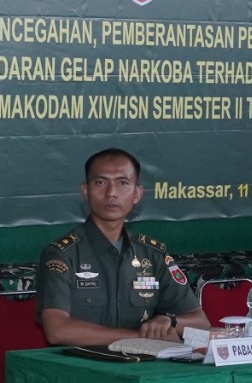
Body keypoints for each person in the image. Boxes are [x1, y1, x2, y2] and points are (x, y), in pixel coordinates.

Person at [37, 149, 209, 348]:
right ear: (85, 190)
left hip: (143, 368)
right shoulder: (62, 254)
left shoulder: (152, 253)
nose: (111, 193)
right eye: (100, 182)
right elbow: (57, 330)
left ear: (137, 193)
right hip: (83, 369)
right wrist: (140, 336)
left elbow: (200, 321)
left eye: (122, 183)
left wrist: (170, 321)